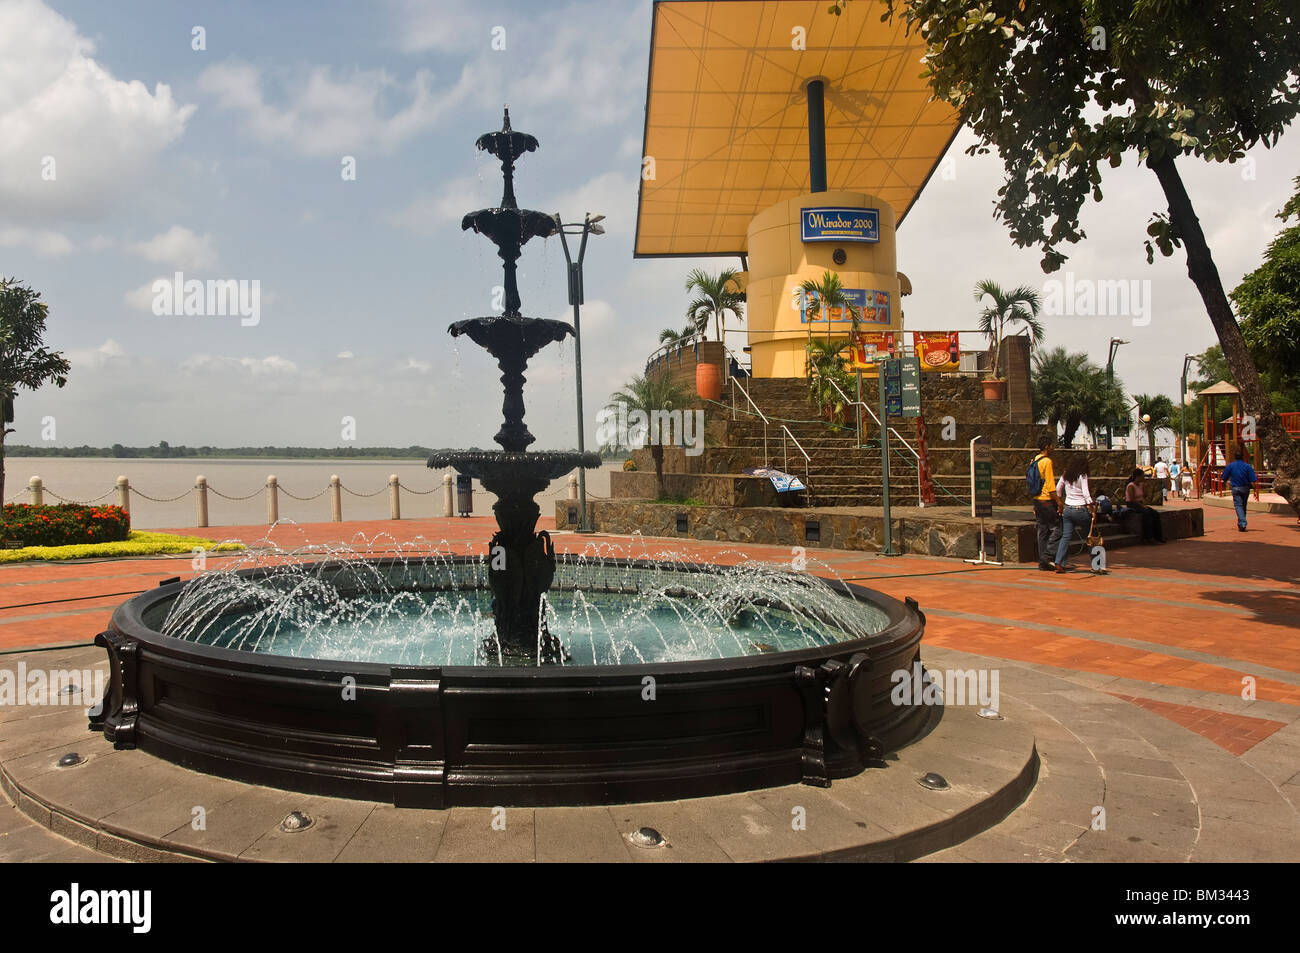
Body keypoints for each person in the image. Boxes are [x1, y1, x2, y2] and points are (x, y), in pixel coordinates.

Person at [1053, 454, 1097, 573]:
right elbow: (1086, 493)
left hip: (1068, 509)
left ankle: (1059, 561)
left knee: (1066, 537)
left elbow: (1058, 489)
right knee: (1090, 536)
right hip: (1080, 509)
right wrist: (1092, 510)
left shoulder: (1066, 473)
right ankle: (1096, 564)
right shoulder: (1082, 475)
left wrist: (1060, 503)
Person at [1029, 433, 1061, 571]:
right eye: (1052, 445)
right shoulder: (1047, 461)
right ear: (1047, 447)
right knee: (1058, 528)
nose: (1054, 448)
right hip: (1047, 500)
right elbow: (1050, 485)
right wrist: (1059, 502)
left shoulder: (1034, 461)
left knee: (1042, 530)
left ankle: (1043, 562)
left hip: (1037, 500)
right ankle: (1046, 557)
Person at [1124, 468, 1166, 543]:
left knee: (1155, 514)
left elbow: (1145, 496)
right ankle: (1148, 537)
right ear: (1138, 477)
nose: (1143, 478)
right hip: (1132, 504)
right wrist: (1142, 506)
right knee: (1147, 514)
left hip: (1140, 503)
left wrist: (1146, 487)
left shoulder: (1141, 485)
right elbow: (1132, 499)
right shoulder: (1131, 486)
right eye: (1142, 476)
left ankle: (1158, 536)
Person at [1221, 451, 1258, 531]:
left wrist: (1224, 483)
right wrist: (1255, 490)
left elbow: (1224, 477)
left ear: (1234, 457)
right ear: (1242, 457)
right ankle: (1241, 523)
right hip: (1245, 488)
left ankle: (1242, 523)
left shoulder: (1231, 466)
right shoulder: (1247, 466)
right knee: (1243, 506)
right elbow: (1253, 480)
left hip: (1235, 488)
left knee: (1238, 506)